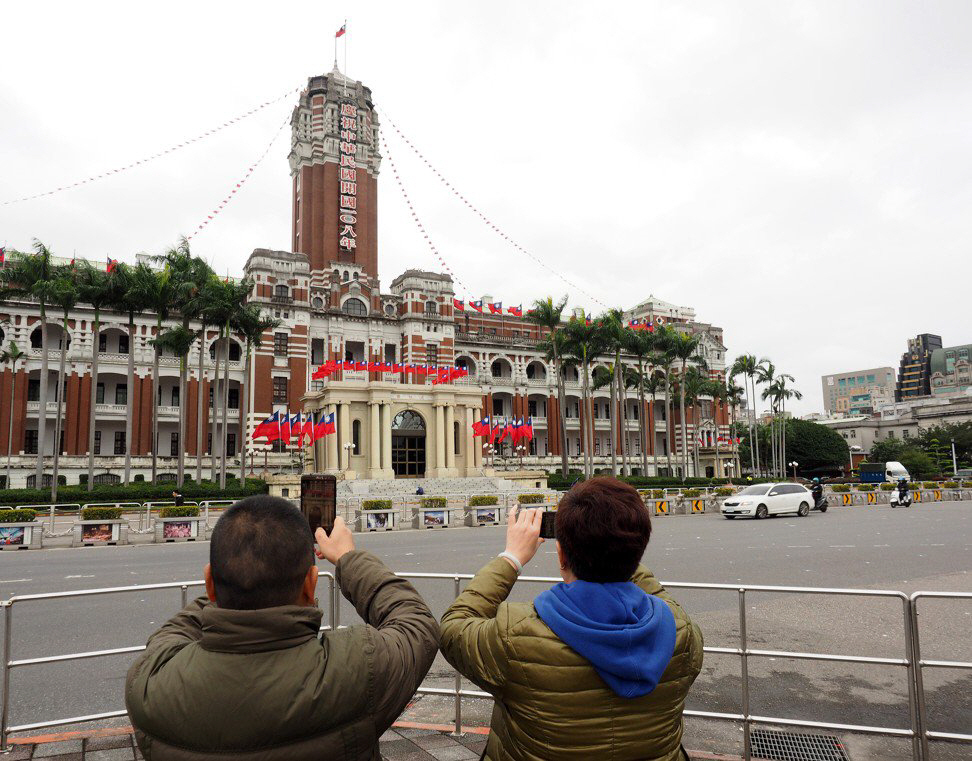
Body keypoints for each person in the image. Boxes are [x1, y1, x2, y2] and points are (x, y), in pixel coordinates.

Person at [125, 495, 439, 760]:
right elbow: (416, 623)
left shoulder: (151, 680)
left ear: (210, 584)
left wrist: (232, 579)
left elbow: (178, 629)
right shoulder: (356, 670)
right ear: (310, 585)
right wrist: (347, 558)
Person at [440, 477, 703, 761]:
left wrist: (511, 557)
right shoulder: (680, 631)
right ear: (638, 550)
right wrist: (618, 549)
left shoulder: (515, 635)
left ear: (561, 554)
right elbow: (658, 596)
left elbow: (454, 627)